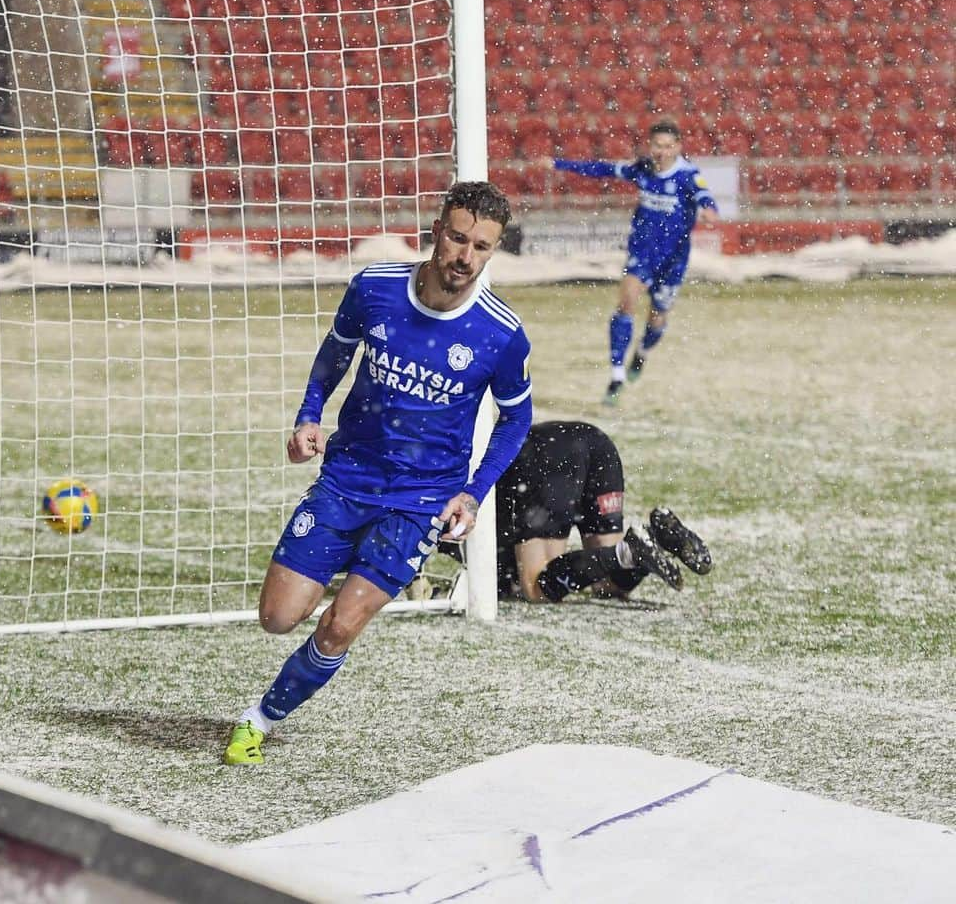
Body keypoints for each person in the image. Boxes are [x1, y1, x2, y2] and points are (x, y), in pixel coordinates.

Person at [224, 181, 533, 766]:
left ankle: (259, 719)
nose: (466, 257)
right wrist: (308, 417)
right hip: (346, 480)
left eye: (482, 247)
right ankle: (338, 564)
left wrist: (472, 493)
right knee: (278, 617)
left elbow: (516, 422)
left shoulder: (501, 334)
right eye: (459, 239)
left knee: (340, 628)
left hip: (420, 502)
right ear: (437, 231)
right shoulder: (376, 289)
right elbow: (334, 353)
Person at [546, 119, 719, 406]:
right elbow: (602, 169)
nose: (661, 151)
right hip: (642, 253)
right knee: (626, 303)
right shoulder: (642, 169)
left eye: (667, 146)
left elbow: (705, 196)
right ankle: (616, 374)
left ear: (678, 147)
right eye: (657, 146)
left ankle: (642, 353)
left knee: (658, 317)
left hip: (673, 259)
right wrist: (559, 164)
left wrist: (709, 210)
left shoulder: (688, 175)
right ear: (649, 146)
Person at [490, 420, 711, 603]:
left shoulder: (477, 540)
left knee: (537, 588)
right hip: (596, 442)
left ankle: (631, 551)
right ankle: (655, 541)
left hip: (547, 454)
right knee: (607, 584)